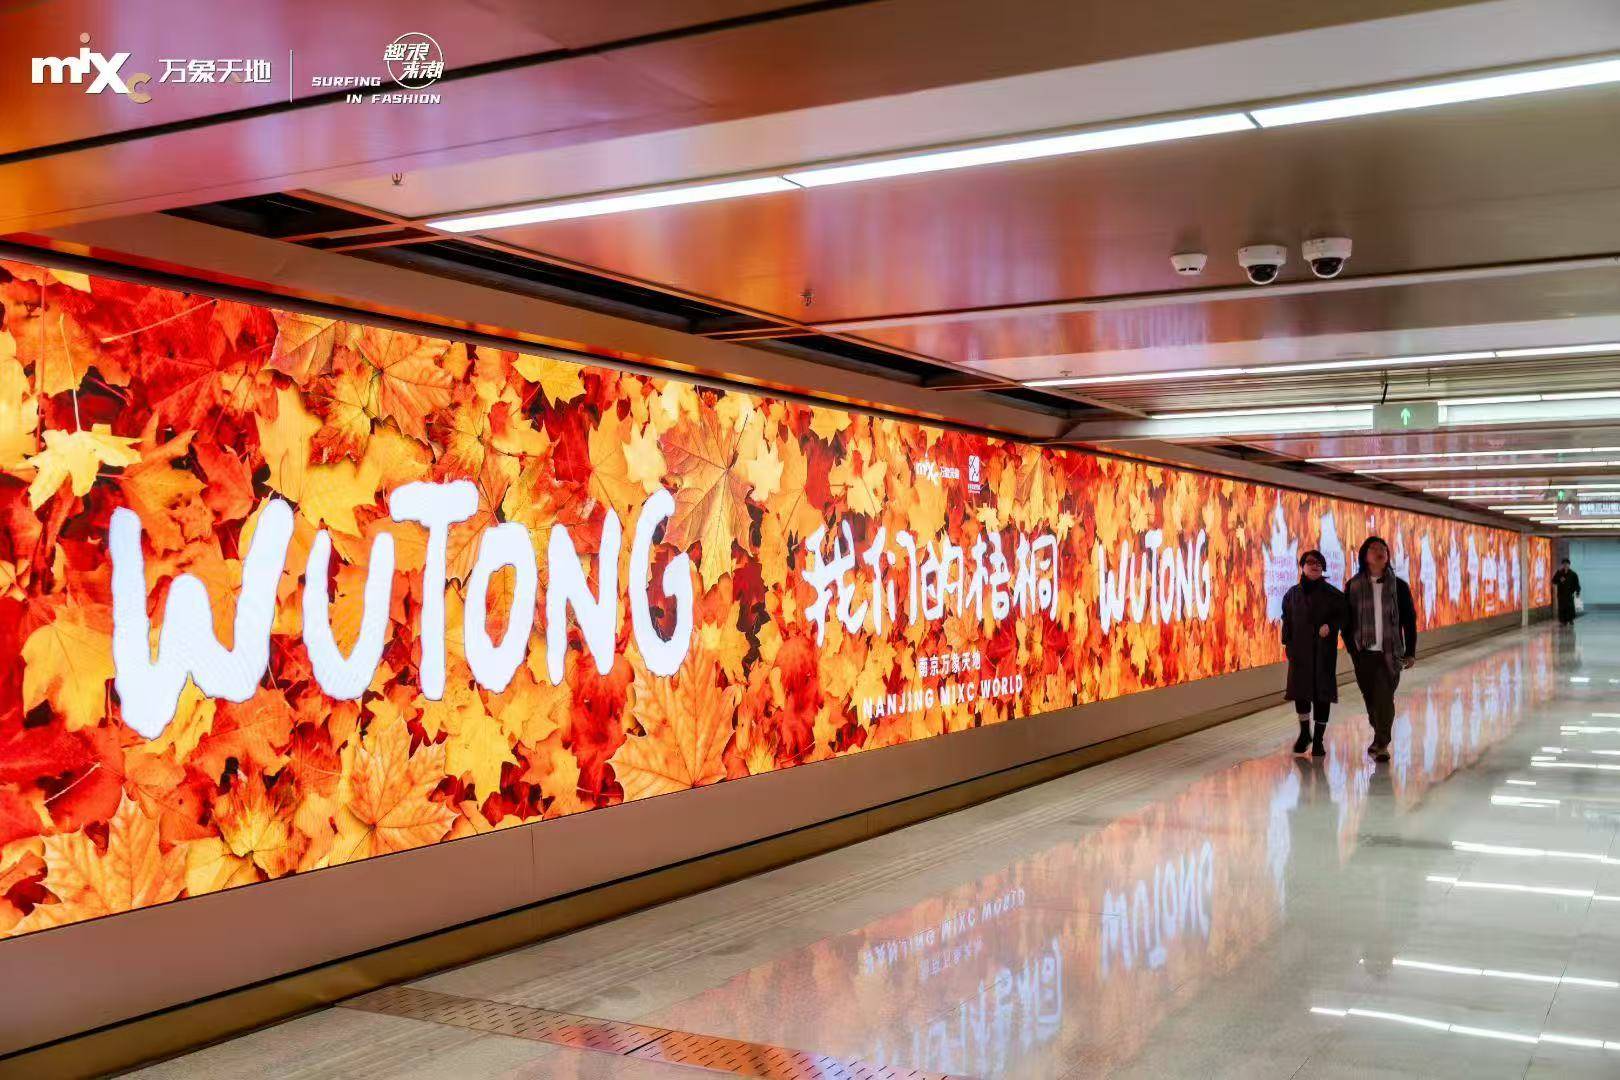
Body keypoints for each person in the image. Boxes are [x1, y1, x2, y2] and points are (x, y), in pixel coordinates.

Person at [1341, 536, 1416, 762]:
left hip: (1390, 653)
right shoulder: (1353, 586)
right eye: (1374, 548)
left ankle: (1382, 743)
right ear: (1365, 556)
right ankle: (1379, 734)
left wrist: (1410, 651)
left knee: (1384, 697)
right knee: (1371, 700)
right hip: (1364, 654)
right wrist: (1353, 650)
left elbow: (1409, 621)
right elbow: (1346, 622)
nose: (1380, 551)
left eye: (1383, 548)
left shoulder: (1398, 586)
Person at [1281, 549, 1346, 757]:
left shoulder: (1333, 594)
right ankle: (1304, 734)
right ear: (1302, 567)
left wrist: (1331, 625)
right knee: (1300, 693)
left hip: (1322, 654)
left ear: (1323, 568)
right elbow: (1286, 620)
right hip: (1299, 653)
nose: (1315, 565)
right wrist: (1287, 644)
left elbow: (1344, 616)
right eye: (1310, 562)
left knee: (1321, 695)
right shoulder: (1292, 594)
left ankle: (1318, 740)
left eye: (1319, 562)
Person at [1553, 558, 1581, 624]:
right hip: (1561, 594)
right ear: (1562, 565)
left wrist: (1577, 591)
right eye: (1564, 564)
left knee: (1570, 607)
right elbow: (1553, 581)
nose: (1565, 565)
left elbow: (1576, 584)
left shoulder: (1573, 574)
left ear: (1569, 565)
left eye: (1567, 564)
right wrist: (1559, 580)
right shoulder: (1559, 573)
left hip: (1569, 594)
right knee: (1562, 607)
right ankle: (1563, 621)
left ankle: (1571, 619)